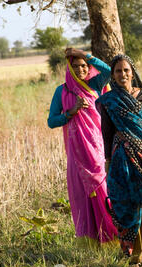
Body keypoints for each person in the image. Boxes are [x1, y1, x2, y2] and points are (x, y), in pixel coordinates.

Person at [96, 54, 142, 267]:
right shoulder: (109, 101)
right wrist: (108, 162)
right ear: (113, 75)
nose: (123, 74)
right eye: (118, 71)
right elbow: (107, 134)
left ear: (133, 71)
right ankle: (134, 256)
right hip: (122, 159)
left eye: (126, 70)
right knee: (128, 203)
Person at [47, 48, 117, 247]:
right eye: (75, 66)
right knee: (80, 194)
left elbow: (109, 71)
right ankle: (89, 242)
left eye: (84, 66)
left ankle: (111, 237)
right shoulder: (62, 91)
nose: (80, 69)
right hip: (76, 155)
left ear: (89, 67)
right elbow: (51, 121)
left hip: (97, 149)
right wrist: (71, 112)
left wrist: (82, 53)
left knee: (103, 189)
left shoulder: (95, 84)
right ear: (69, 68)